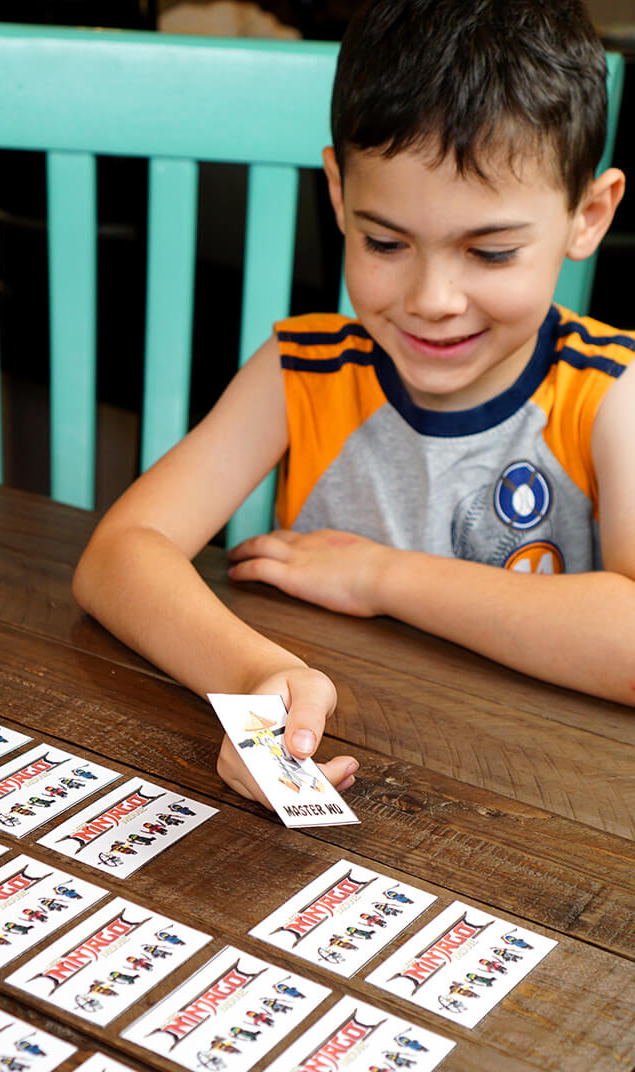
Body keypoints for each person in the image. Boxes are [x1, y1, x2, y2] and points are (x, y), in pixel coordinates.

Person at [73, 0, 634, 808]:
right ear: (338, 193)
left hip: (538, 806)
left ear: (588, 215)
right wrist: (252, 682)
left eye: (491, 251)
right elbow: (119, 553)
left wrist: (382, 576)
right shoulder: (302, 370)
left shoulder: (612, 393)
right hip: (350, 791)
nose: (433, 298)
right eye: (384, 242)